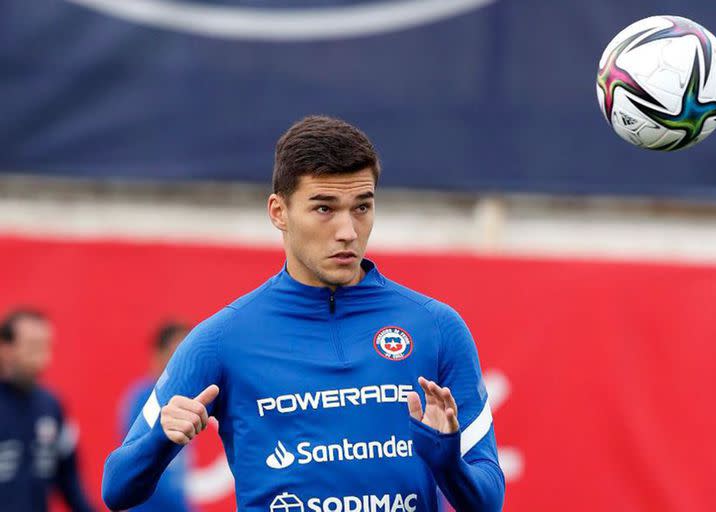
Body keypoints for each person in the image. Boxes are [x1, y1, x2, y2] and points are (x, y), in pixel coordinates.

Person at [102, 116, 505, 512]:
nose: (348, 230)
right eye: (325, 208)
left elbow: (489, 500)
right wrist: (160, 442)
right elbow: (116, 489)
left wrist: (447, 461)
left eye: (362, 207)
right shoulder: (220, 339)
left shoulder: (436, 327)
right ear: (279, 212)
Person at [0, 308, 95, 512]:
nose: (42, 355)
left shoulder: (51, 406)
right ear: (5, 348)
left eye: (46, 346)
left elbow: (69, 480)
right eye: (33, 345)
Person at [118, 322, 196, 512]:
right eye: (177, 353)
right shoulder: (146, 400)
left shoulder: (179, 399)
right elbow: (146, 466)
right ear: (158, 354)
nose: (184, 362)